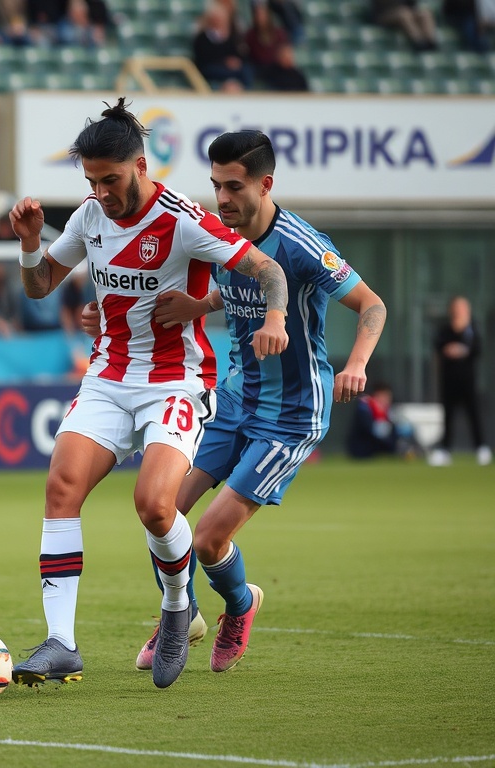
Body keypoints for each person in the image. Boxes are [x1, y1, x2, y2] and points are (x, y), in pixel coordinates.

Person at [80, 129, 386, 676]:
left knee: (207, 538)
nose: (222, 198)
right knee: (161, 514)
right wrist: (199, 305)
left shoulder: (302, 245)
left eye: (234, 187)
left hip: (290, 415)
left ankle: (241, 606)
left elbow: (372, 304)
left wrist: (357, 363)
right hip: (234, 400)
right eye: (216, 185)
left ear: (265, 184)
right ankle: (183, 615)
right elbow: (235, 285)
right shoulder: (220, 232)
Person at [9, 101, 290, 689]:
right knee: (61, 488)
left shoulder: (182, 219)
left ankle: (177, 608)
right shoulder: (89, 216)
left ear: (140, 166)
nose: (101, 193)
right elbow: (39, 287)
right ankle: (61, 642)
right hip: (108, 377)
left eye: (110, 180)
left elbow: (269, 270)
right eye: (91, 181)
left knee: (156, 507)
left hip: (175, 381)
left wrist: (274, 317)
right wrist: (32, 243)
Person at [429, 296, 490, 466]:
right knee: (448, 416)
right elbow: (438, 345)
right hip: (448, 380)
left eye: (462, 307)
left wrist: (462, 350)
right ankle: (445, 450)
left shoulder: (472, 330)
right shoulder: (445, 330)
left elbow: (476, 349)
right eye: (456, 307)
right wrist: (450, 349)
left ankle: (481, 448)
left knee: (473, 414)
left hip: (468, 381)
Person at [346, 382, 419, 459]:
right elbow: (372, 431)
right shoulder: (364, 408)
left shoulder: (387, 410)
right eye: (384, 396)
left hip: (377, 446)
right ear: (376, 395)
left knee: (404, 428)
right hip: (362, 449)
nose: (387, 400)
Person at [371, 0, 438, 51]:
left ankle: (430, 43)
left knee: (425, 13)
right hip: (383, 14)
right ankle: (419, 43)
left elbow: (412, 5)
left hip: (407, 11)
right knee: (404, 14)